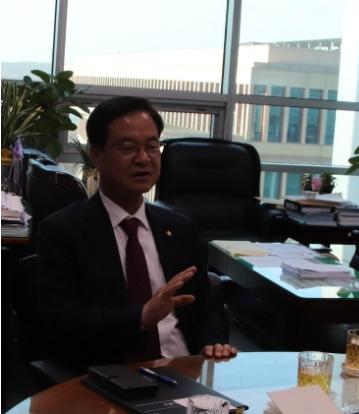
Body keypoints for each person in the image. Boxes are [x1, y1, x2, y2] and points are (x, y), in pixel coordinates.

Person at [36, 96, 237, 371]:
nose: (143, 158)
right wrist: (141, 316)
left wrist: (212, 342)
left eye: (152, 147)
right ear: (97, 155)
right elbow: (60, 322)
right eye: (127, 148)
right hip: (109, 375)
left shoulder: (180, 228)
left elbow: (206, 305)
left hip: (183, 370)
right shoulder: (62, 231)